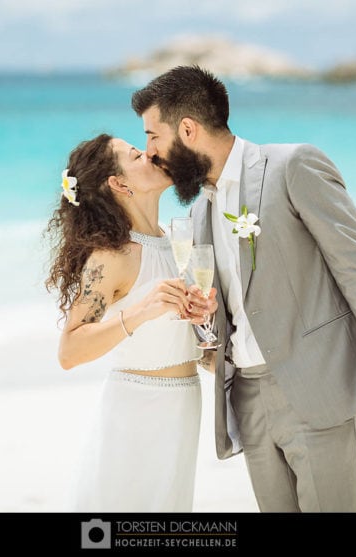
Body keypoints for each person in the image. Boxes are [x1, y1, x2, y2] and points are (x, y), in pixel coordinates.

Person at [131, 66, 356, 512]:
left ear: (187, 129)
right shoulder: (200, 215)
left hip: (318, 387)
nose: (150, 153)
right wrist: (204, 317)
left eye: (154, 136)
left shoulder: (292, 167)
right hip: (247, 399)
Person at [45, 133, 218, 512]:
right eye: (137, 154)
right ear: (119, 184)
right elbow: (69, 352)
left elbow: (189, 351)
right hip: (136, 413)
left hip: (183, 408)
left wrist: (204, 328)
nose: (152, 154)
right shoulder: (112, 256)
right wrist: (141, 312)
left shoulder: (175, 242)